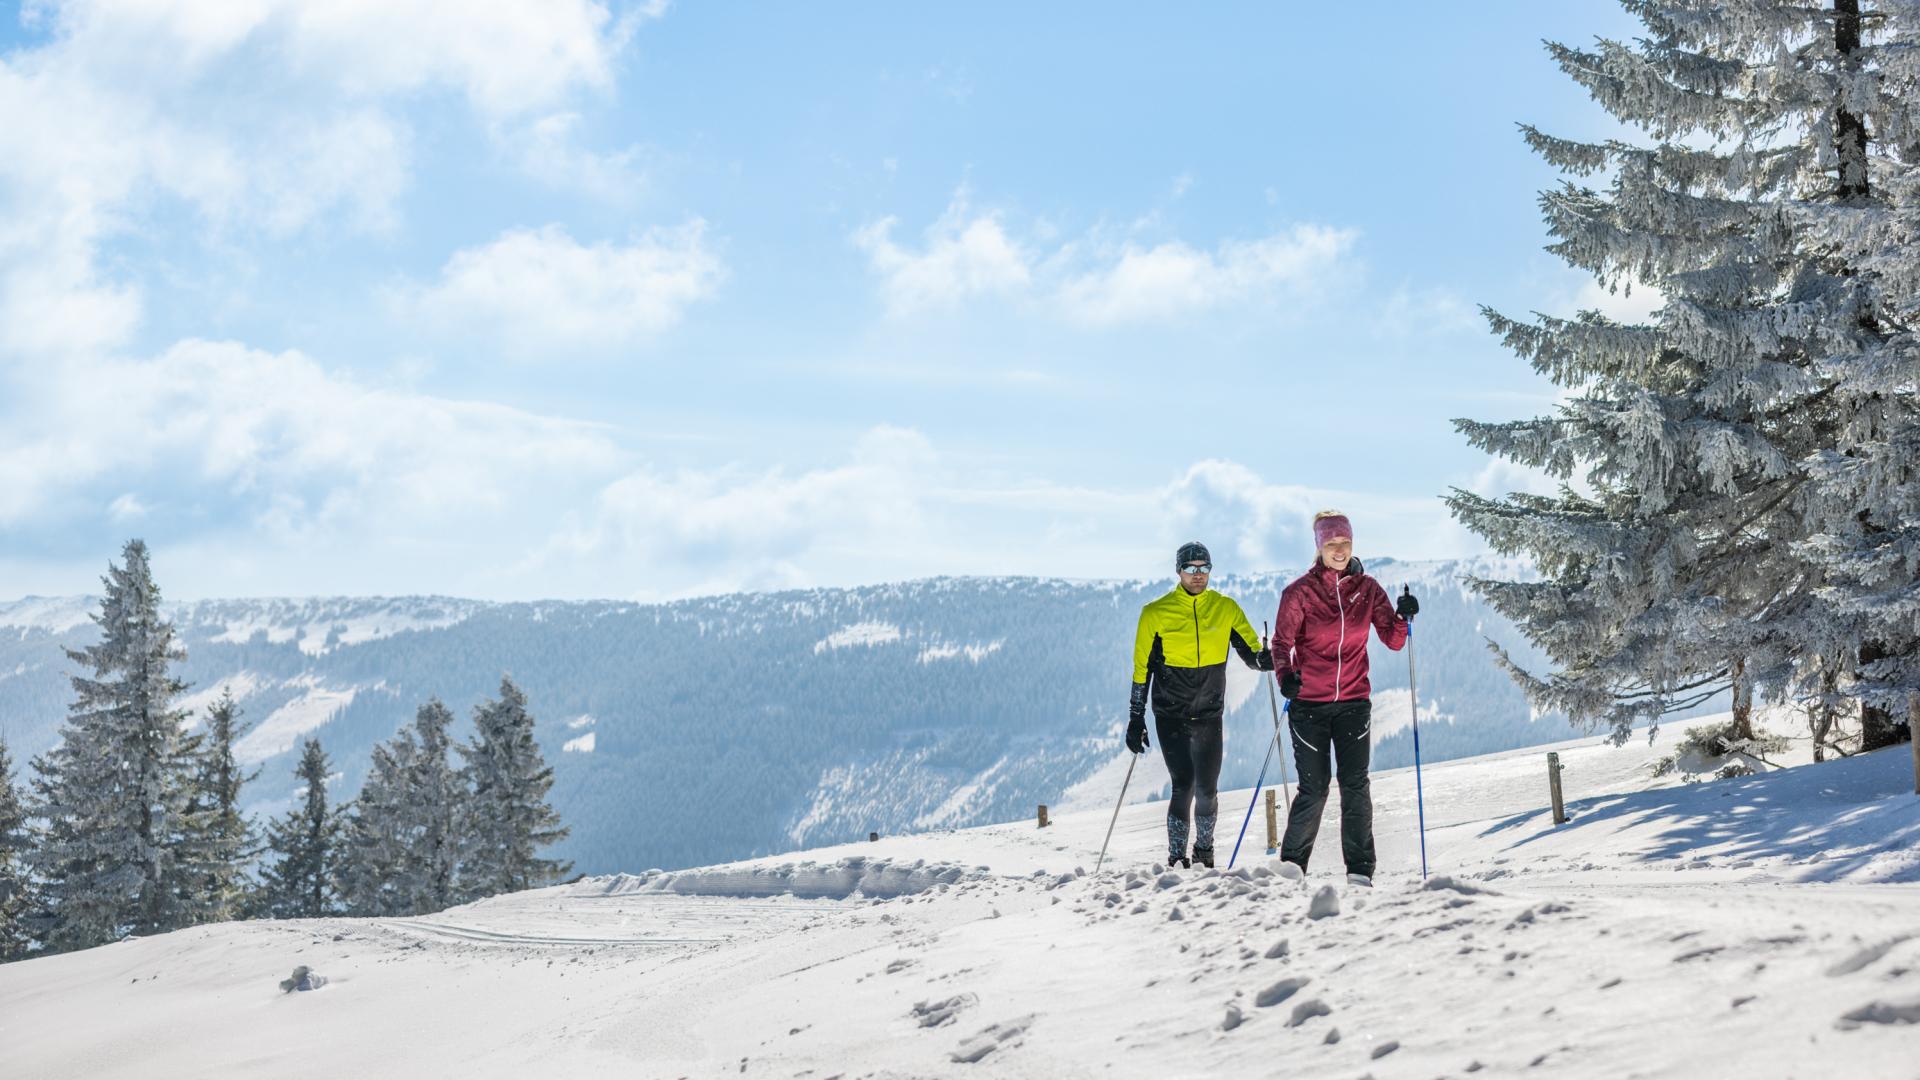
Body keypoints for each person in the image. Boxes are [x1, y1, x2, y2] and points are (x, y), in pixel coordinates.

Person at [1270, 511, 1419, 887]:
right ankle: (1291, 870)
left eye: (1345, 543)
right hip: (1309, 707)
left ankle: (1359, 873)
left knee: (1355, 785)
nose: (1339, 550)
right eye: (1331, 544)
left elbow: (1393, 640)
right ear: (1319, 547)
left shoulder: (1367, 590)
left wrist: (1403, 616)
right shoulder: (1299, 593)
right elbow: (1281, 644)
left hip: (1354, 702)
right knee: (1315, 788)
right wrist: (1286, 676)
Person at [1129, 541, 1274, 868]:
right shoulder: (1155, 613)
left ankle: (1204, 855)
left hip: (1209, 712)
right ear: (1178, 571)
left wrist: (1266, 659)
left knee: (1208, 789)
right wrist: (1135, 718)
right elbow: (1141, 670)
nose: (1198, 575)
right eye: (1191, 568)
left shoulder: (1226, 608)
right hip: (1171, 713)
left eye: (1204, 568)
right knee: (1185, 784)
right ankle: (1177, 859)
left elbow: (1251, 654)